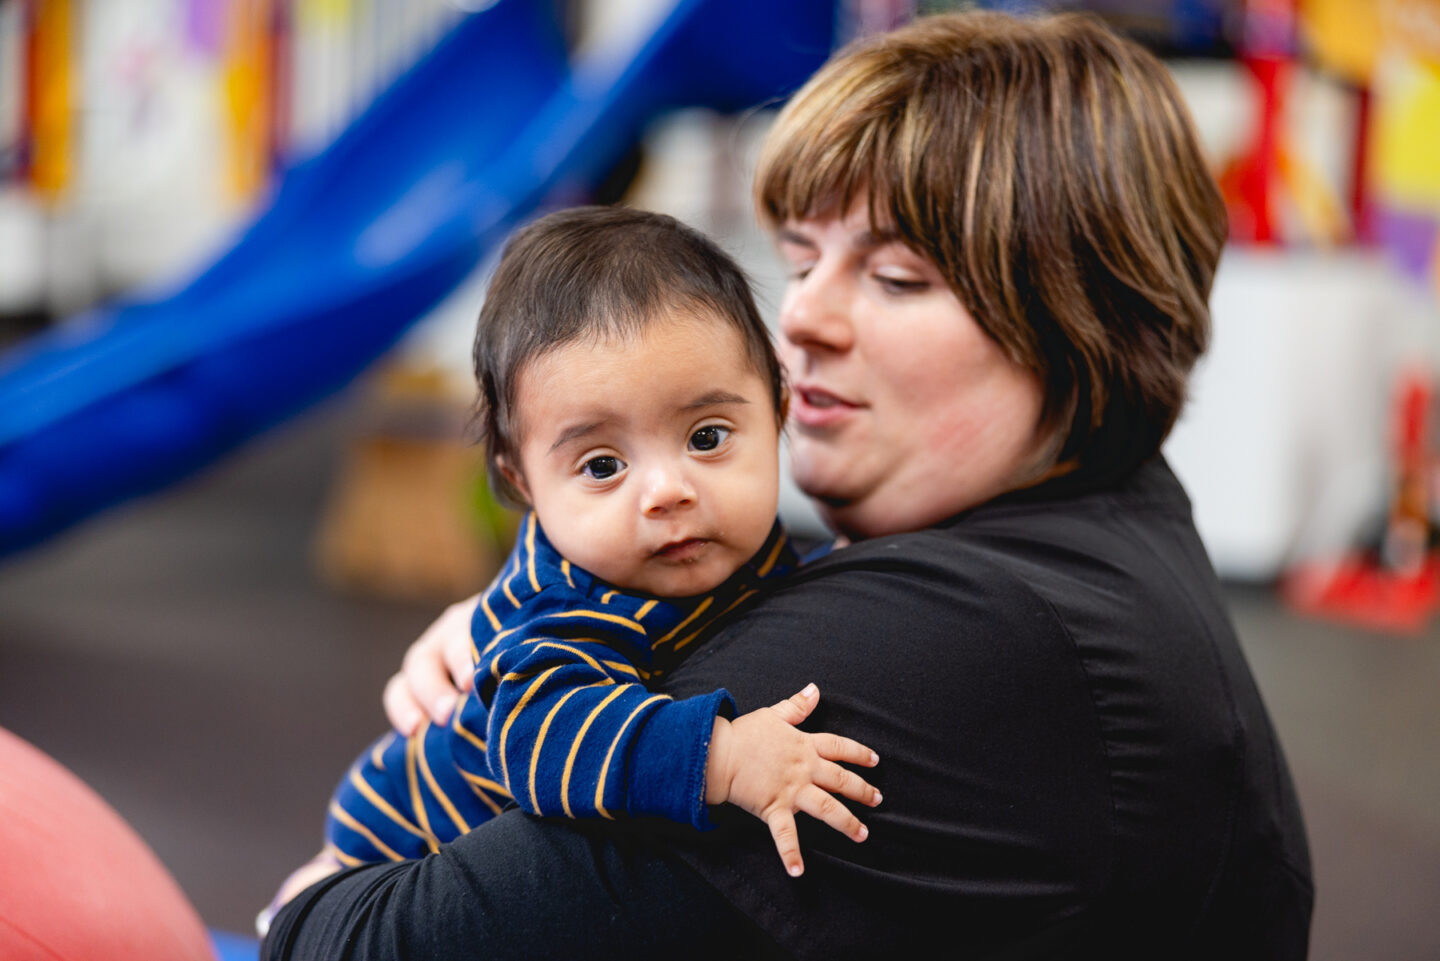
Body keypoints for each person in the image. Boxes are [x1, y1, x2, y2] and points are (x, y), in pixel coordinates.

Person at [263, 11, 1314, 960]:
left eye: (897, 276)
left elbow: (351, 946)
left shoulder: (940, 647)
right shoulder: (1111, 526)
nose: (803, 318)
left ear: (1086, 323)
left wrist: (310, 897)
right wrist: (525, 618)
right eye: (801, 259)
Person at [286, 207, 880, 921]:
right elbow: (546, 737)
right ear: (522, 483)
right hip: (398, 851)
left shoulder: (727, 544)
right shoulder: (566, 605)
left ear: (777, 406)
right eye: (603, 464)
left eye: (708, 435)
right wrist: (725, 758)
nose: (667, 490)